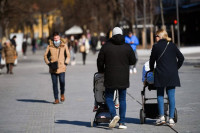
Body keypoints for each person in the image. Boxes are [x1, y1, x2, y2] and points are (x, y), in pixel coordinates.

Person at [97, 27, 136, 129]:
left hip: (110, 76)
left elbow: (100, 60)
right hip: (123, 77)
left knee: (109, 97)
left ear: (112, 35)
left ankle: (114, 115)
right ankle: (122, 123)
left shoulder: (106, 46)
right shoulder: (127, 46)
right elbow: (133, 61)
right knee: (122, 99)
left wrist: (101, 70)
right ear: (122, 34)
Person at [149, 29, 184, 126]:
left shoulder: (156, 47)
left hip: (160, 74)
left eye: (156, 36)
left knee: (160, 95)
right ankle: (171, 119)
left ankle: (162, 117)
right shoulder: (172, 45)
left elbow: (151, 61)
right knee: (171, 96)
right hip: (172, 75)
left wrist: (152, 70)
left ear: (160, 36)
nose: (155, 37)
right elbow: (181, 58)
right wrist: (176, 68)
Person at [44, 32, 70, 104]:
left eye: (57, 38)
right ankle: (56, 99)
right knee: (54, 84)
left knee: (62, 82)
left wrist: (66, 63)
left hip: (62, 66)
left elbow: (68, 55)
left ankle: (62, 94)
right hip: (53, 68)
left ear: (59, 37)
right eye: (55, 38)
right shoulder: (50, 46)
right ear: (53, 38)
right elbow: (45, 55)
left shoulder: (64, 45)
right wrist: (48, 63)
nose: (56, 39)